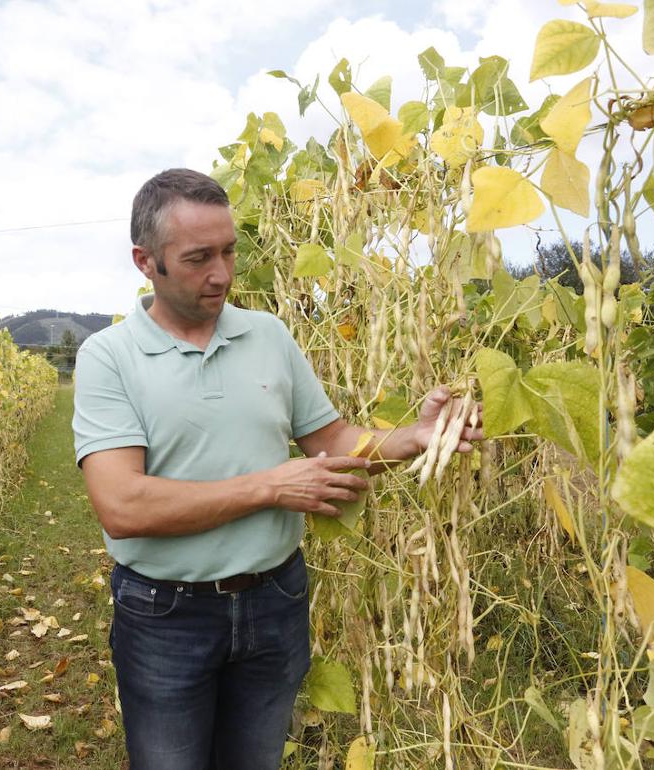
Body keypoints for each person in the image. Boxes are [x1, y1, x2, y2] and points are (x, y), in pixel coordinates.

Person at [72, 168, 481, 769]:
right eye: (198, 258)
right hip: (165, 614)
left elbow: (332, 439)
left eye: (229, 251)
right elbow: (122, 506)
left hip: (276, 601)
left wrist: (412, 439)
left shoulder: (268, 335)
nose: (222, 274)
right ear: (145, 262)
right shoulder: (109, 356)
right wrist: (270, 486)